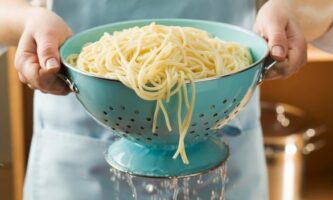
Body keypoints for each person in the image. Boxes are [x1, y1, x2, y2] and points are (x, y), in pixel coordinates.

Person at [0, 0, 307, 199]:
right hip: (78, 158)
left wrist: (288, 9)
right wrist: (29, 19)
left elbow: (329, 8)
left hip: (222, 136)